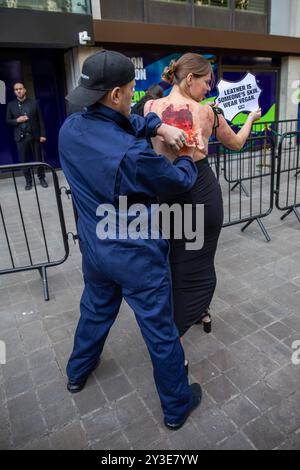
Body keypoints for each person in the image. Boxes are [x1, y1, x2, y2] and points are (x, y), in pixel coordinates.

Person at [59, 50, 203, 430]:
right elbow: (178, 181)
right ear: (118, 95)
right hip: (136, 254)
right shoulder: (133, 156)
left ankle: (77, 373)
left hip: (95, 248)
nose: (131, 97)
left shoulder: (70, 129)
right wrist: (188, 153)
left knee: (95, 310)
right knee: (160, 331)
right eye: (128, 90)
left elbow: (123, 125)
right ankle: (176, 407)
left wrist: (156, 126)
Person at [144, 53, 261, 347]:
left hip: (165, 192)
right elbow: (236, 143)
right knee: (196, 264)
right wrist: (250, 119)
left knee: (174, 260)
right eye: (206, 82)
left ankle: (187, 318)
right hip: (199, 191)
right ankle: (178, 336)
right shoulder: (208, 113)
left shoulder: (149, 107)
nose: (209, 89)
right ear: (190, 79)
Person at [6, 82, 48, 190]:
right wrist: (17, 120)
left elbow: (41, 120)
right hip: (20, 138)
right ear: (15, 92)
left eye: (20, 88)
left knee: (39, 159)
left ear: (25, 90)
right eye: (16, 89)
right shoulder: (11, 105)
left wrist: (42, 135)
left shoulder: (34, 103)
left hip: (34, 136)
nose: (19, 91)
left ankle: (42, 178)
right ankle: (28, 181)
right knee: (23, 161)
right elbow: (8, 121)